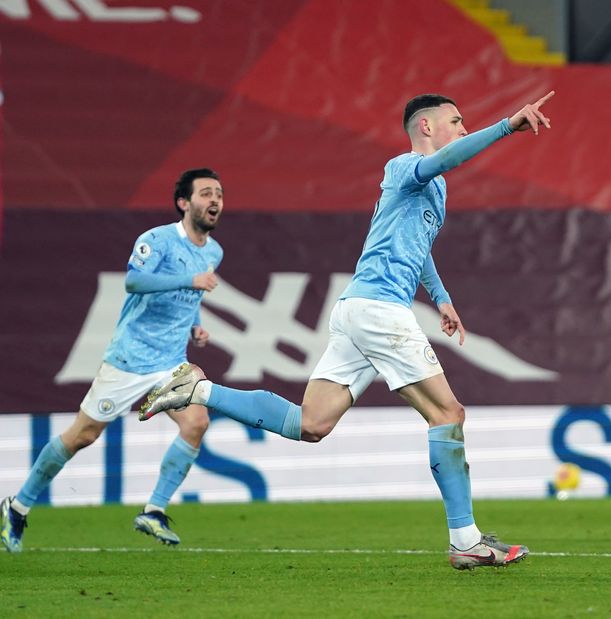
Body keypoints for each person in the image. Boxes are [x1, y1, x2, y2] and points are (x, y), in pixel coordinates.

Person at [138, 92, 555, 569]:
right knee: (448, 415)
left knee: (310, 424)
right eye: (456, 121)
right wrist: (505, 127)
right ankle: (465, 541)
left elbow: (419, 246)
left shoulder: (434, 189)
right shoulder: (403, 167)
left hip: (360, 310)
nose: (463, 128)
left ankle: (200, 389)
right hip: (379, 311)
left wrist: (440, 297)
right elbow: (452, 157)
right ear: (425, 128)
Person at [0, 168, 225, 552]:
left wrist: (196, 326)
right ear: (184, 203)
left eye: (219, 194)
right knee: (82, 436)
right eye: (206, 193)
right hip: (129, 359)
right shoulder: (157, 240)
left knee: (196, 422)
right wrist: (189, 282)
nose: (215, 200)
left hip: (171, 363)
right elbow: (134, 282)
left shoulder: (214, 252)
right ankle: (17, 507)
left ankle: (153, 511)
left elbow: (191, 299)